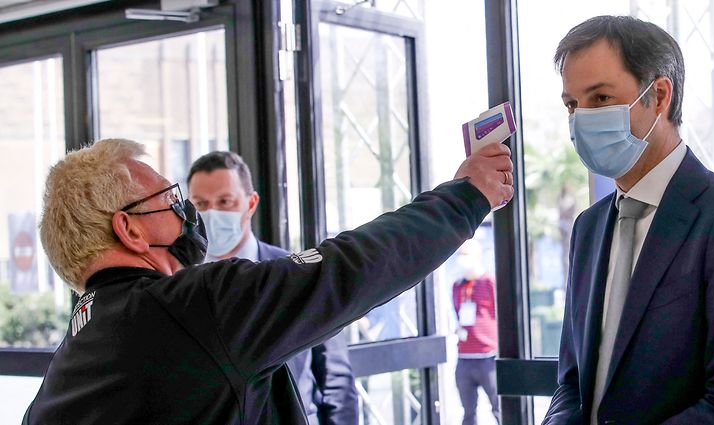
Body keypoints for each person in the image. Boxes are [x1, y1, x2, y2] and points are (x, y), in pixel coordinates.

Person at [25, 138, 513, 424]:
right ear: (129, 230)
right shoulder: (192, 308)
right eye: (172, 201)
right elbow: (352, 267)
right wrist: (466, 197)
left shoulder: (75, 353)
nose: (188, 215)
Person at [543, 16, 714, 425]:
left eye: (600, 98)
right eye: (572, 104)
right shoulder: (588, 228)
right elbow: (571, 383)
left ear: (658, 96)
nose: (580, 119)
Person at [187, 150, 358, 425]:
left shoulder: (296, 272)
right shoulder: (180, 282)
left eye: (225, 202)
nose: (212, 214)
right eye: (201, 204)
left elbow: (335, 378)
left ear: (251, 203)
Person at [451, 239, 499, 425]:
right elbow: (457, 312)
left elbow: (499, 313)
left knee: (499, 408)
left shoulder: (489, 282)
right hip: (464, 358)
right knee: (468, 413)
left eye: (465, 255)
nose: (461, 260)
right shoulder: (457, 286)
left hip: (488, 358)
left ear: (477, 256)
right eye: (459, 256)